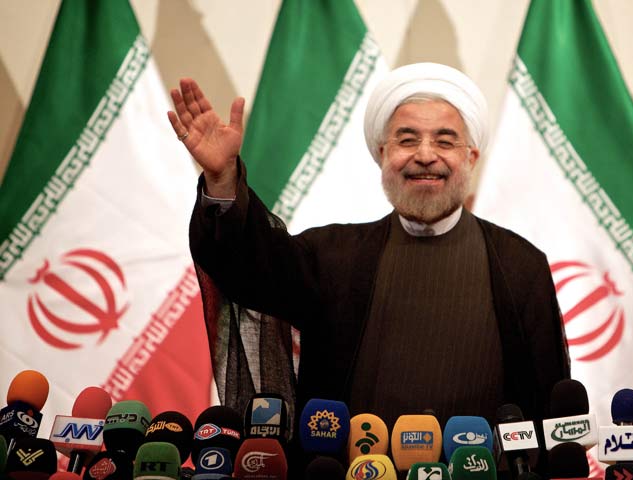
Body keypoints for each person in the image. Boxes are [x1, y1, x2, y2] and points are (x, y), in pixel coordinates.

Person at [169, 62, 570, 467]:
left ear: (471, 157)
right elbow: (248, 267)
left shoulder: (520, 266)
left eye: (445, 141)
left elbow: (546, 406)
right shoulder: (332, 256)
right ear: (382, 154)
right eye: (407, 140)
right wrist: (223, 179)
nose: (425, 155)